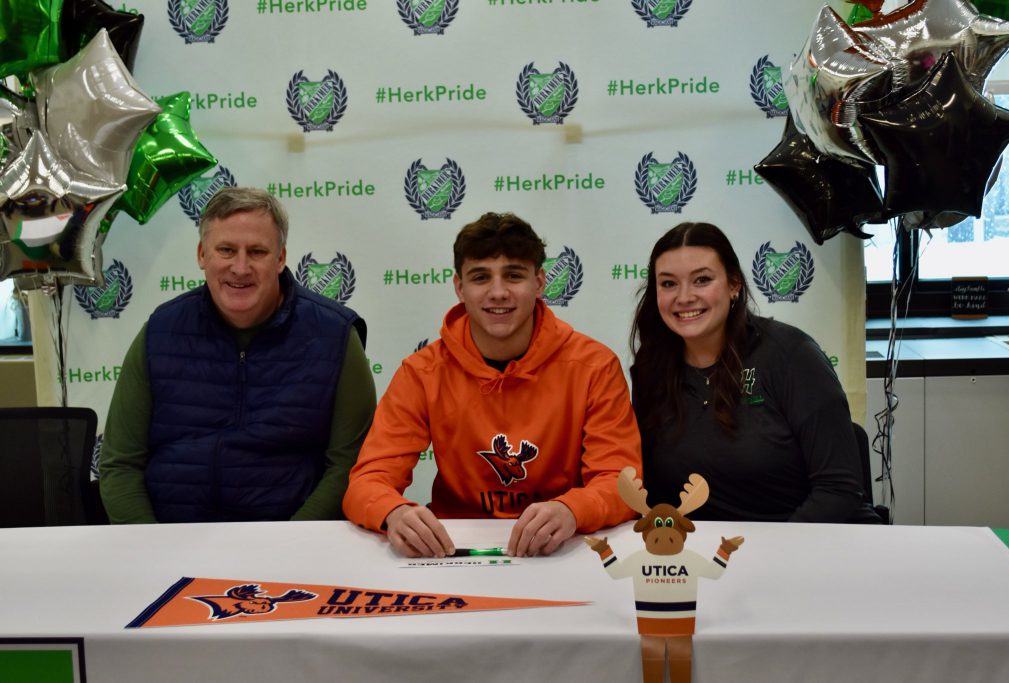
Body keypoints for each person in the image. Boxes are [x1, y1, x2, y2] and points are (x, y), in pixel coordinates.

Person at [343, 212, 642, 557]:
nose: (498, 292)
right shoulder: (422, 372)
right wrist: (392, 512)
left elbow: (622, 483)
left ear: (540, 282)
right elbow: (368, 481)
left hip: (563, 547)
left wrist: (573, 510)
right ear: (459, 287)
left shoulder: (594, 366)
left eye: (513, 276)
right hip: (455, 547)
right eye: (481, 277)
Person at [99, 187, 376, 523]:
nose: (240, 268)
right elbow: (120, 465)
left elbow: (351, 464)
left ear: (280, 258)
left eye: (257, 251)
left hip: (293, 546)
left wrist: (291, 545)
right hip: (171, 542)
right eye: (226, 250)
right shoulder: (160, 332)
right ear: (203, 254)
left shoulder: (335, 336)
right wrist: (153, 548)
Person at [630, 222, 870, 523]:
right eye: (668, 284)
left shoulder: (792, 355)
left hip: (806, 546)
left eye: (702, 280)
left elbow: (839, 491)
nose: (684, 296)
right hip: (710, 556)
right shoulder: (652, 367)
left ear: (734, 285)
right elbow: (653, 493)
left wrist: (771, 560)